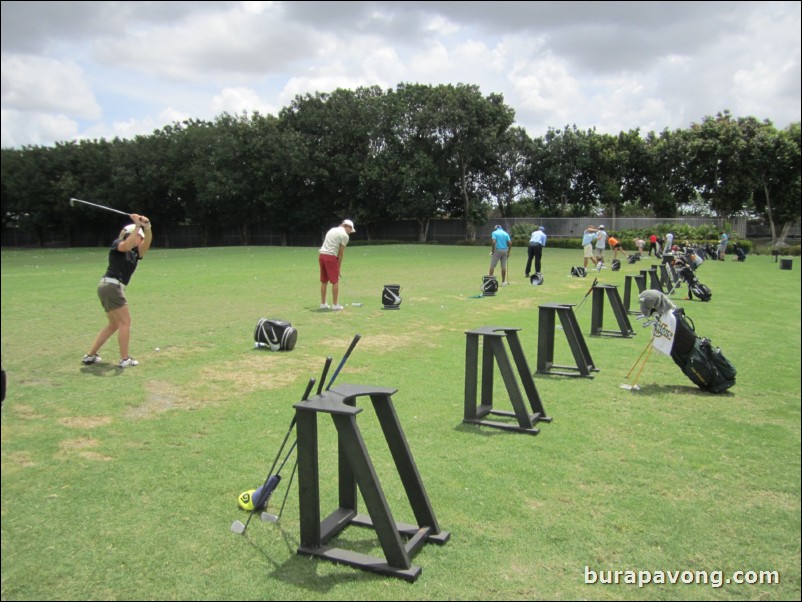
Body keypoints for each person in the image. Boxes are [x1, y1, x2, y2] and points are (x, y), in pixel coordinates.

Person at [82, 214, 153, 368]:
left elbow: (146, 243)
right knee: (125, 322)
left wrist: (147, 228)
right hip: (111, 287)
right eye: (138, 237)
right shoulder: (118, 244)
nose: (140, 241)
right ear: (130, 235)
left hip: (108, 288)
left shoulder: (135, 254)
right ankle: (124, 359)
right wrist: (138, 227)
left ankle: (90, 355)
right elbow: (126, 245)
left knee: (114, 324)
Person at [319, 219, 355, 310]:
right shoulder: (344, 235)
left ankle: (323, 304)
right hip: (330, 257)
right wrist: (338, 267)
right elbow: (341, 253)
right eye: (350, 230)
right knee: (335, 281)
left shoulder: (332, 230)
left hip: (322, 256)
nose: (350, 232)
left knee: (324, 281)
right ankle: (335, 305)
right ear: (347, 226)